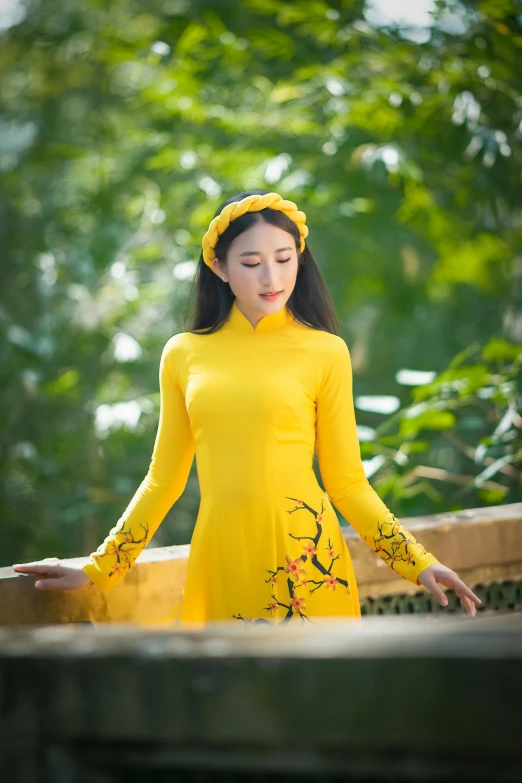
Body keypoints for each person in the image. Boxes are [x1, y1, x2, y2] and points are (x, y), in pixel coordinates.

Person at [13, 190, 481, 625]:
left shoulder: (325, 352)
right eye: (252, 262)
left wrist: (419, 563)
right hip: (223, 557)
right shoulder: (183, 354)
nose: (272, 277)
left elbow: (347, 483)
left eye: (284, 258)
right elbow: (164, 479)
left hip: (308, 557)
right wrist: (98, 569)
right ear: (219, 267)